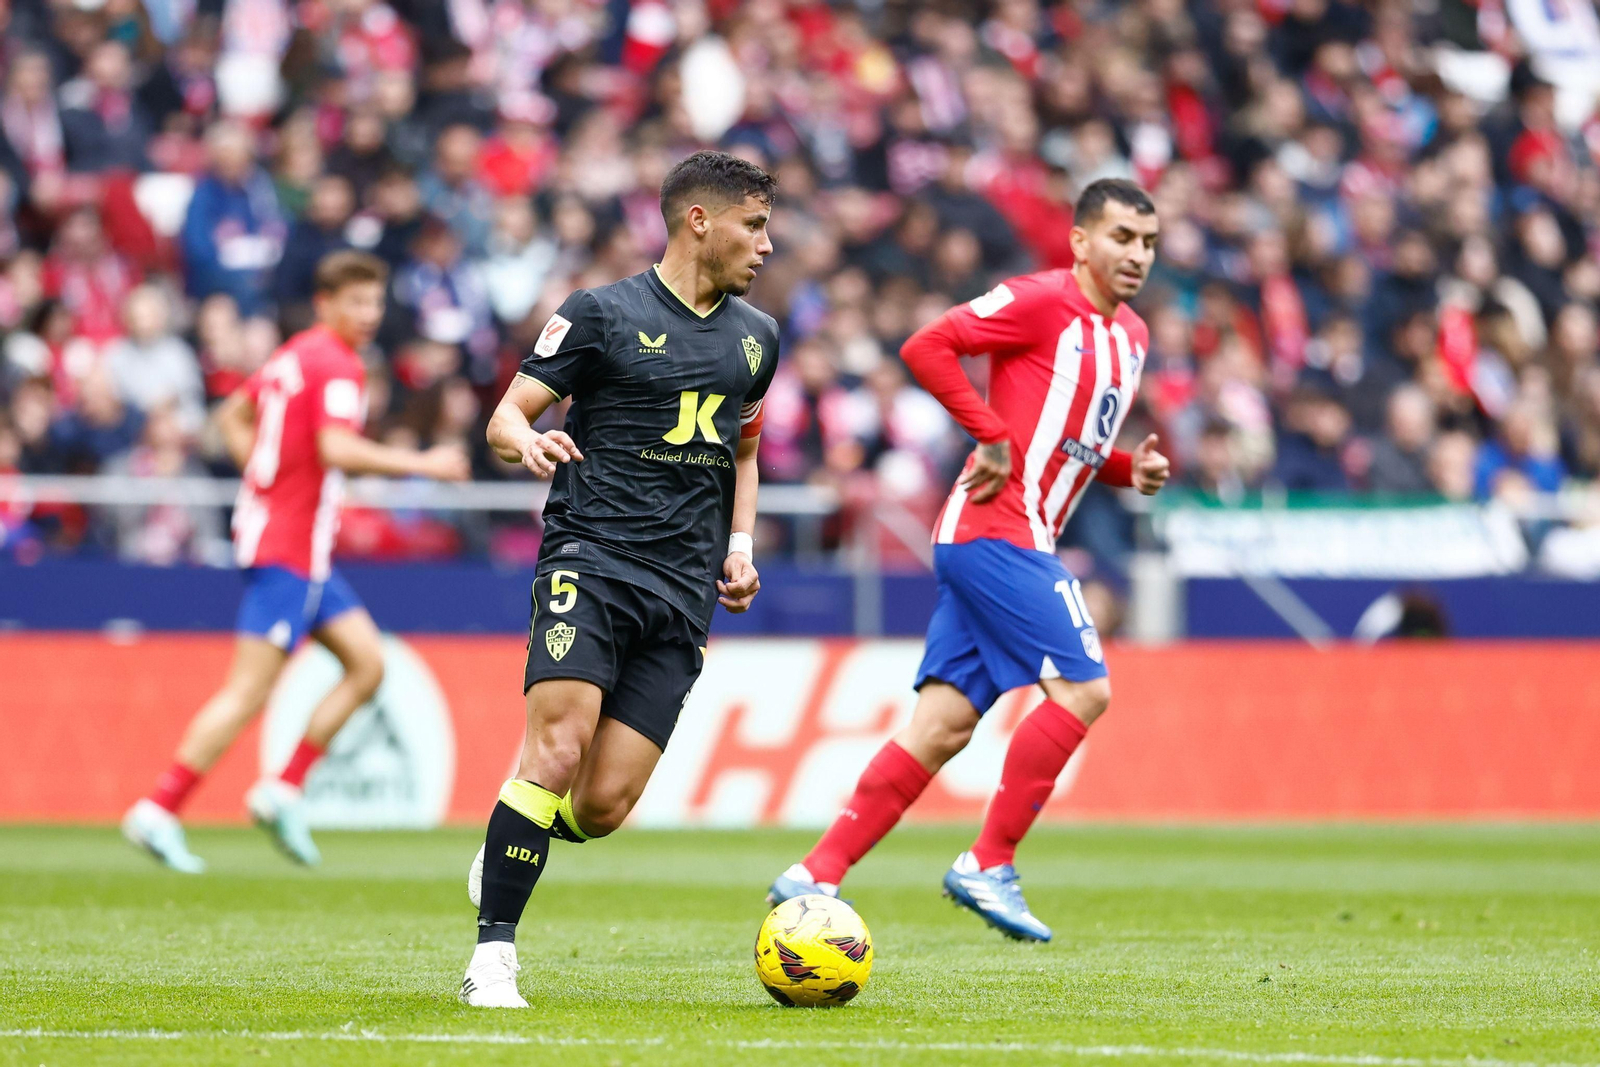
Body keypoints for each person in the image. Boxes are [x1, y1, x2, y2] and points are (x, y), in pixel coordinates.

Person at [767, 178, 1171, 942]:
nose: (1137, 255)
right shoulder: (1042, 299)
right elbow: (928, 345)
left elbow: (1068, 442)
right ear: (1081, 241)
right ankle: (989, 862)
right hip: (996, 530)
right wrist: (986, 430)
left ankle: (815, 870)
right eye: (1121, 237)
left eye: (1148, 242)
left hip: (1014, 536)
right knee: (1085, 690)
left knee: (941, 728)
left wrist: (1128, 471)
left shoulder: (1133, 338)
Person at [458, 151, 778, 1007]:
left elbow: (743, 452)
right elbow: (504, 414)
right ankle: (492, 958)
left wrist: (738, 543)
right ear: (697, 220)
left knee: (600, 805)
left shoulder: (757, 337)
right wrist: (524, 442)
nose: (767, 245)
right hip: (590, 559)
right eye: (754, 225)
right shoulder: (600, 313)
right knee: (554, 750)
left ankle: (509, 836)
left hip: (682, 592)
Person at [121, 251, 468, 873]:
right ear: (325, 303)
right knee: (248, 691)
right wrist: (428, 465)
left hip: (292, 543)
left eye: (375, 302)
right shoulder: (337, 364)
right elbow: (335, 448)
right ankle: (158, 809)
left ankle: (282, 789)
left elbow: (232, 415)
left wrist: (262, 475)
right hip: (290, 549)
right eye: (356, 303)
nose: (368, 315)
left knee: (367, 663)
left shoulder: (294, 353)